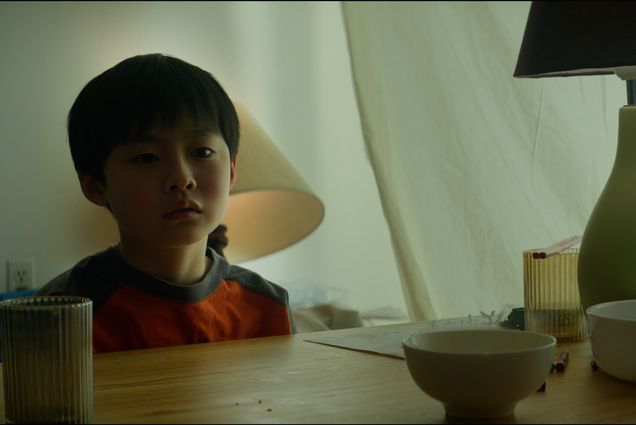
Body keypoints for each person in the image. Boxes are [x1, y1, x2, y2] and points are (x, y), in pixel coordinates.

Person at [38, 53, 296, 353]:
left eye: (201, 152)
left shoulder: (267, 307)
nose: (181, 179)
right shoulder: (61, 316)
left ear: (232, 170)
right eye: (146, 158)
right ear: (95, 186)